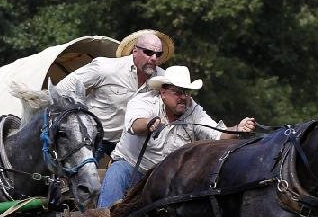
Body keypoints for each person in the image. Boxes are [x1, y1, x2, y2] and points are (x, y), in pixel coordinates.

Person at [97, 65, 256, 208]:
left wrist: (237, 129)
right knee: (117, 172)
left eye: (186, 92)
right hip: (133, 169)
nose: (183, 97)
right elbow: (134, 125)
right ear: (163, 92)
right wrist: (148, 123)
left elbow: (217, 134)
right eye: (178, 92)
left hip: (168, 178)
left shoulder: (193, 110)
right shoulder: (144, 101)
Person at [56, 29, 175, 156]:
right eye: (148, 52)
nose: (153, 58)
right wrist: (74, 121)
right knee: (82, 174)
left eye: (158, 54)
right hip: (93, 138)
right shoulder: (106, 68)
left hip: (129, 143)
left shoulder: (163, 79)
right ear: (135, 51)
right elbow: (63, 88)